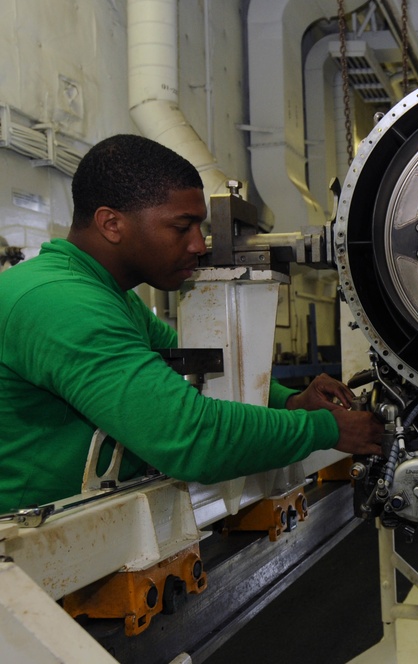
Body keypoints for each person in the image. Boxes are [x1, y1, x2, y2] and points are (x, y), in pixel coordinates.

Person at [0, 134, 383, 512]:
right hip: (23, 559)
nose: (199, 245)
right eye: (182, 227)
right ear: (111, 224)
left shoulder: (111, 298)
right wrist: (327, 429)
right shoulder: (62, 303)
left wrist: (292, 401)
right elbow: (188, 437)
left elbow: (200, 369)